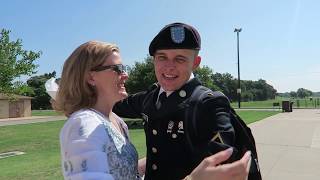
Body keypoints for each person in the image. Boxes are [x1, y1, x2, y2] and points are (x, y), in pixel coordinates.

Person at [51, 40, 251, 180]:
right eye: (118, 69)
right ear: (91, 77)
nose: (126, 75)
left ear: (195, 63)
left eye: (180, 58)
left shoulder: (115, 121)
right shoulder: (84, 124)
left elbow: (123, 169)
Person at [113, 22, 252, 180]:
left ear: (195, 63)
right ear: (153, 60)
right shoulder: (149, 97)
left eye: (179, 59)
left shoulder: (208, 104)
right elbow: (112, 104)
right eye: (162, 57)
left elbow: (222, 171)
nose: (169, 66)